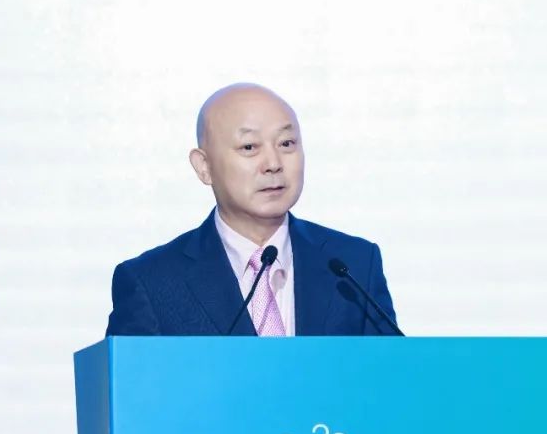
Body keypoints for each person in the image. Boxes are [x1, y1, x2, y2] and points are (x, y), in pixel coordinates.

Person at [106, 83, 398, 336]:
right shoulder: (151, 282)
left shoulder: (354, 265)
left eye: (286, 143)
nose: (273, 163)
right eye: (249, 147)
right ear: (204, 166)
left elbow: (392, 376)